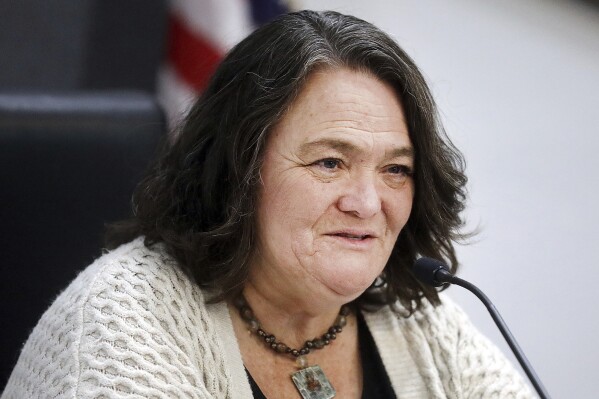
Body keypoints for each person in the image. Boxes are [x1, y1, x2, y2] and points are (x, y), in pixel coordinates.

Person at [2, 10, 535, 399]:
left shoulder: (419, 322)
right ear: (239, 169)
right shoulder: (120, 330)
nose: (368, 203)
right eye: (330, 162)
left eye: (396, 170)